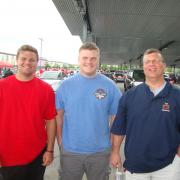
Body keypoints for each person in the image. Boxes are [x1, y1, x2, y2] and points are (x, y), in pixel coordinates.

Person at [111, 48, 180, 180]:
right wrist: (115, 152)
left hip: (169, 166)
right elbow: (119, 129)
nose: (151, 64)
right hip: (136, 166)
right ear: (143, 67)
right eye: (147, 62)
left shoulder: (176, 95)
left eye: (156, 61)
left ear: (164, 65)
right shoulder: (129, 96)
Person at [56, 42, 121, 180]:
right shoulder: (65, 86)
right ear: (78, 59)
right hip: (70, 152)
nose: (89, 62)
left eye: (93, 58)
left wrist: (113, 147)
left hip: (100, 152)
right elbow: (58, 117)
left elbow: (116, 119)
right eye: (85, 58)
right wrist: (61, 142)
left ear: (98, 60)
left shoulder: (110, 86)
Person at [0, 45, 57, 180]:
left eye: (32, 60)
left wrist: (50, 150)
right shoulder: (2, 87)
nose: (27, 62)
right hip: (7, 156)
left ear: (37, 63)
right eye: (23, 59)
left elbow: (50, 121)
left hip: (37, 155)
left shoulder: (46, 90)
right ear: (17, 60)